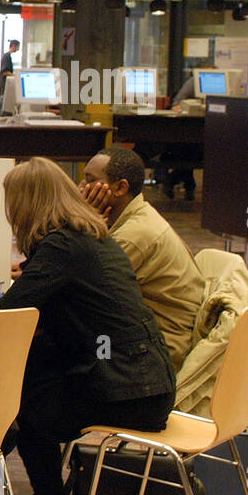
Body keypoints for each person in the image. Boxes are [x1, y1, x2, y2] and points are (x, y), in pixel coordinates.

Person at [0, 157, 176, 495]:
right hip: (147, 380)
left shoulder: (62, 245)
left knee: (27, 410)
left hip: (130, 391)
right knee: (36, 370)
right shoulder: (90, 234)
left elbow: (10, 313)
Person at [80, 147, 203, 370]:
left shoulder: (134, 235)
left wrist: (81, 219)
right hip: (147, 337)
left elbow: (80, 291)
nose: (81, 189)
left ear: (120, 188)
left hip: (161, 352)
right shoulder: (127, 218)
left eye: (90, 180)